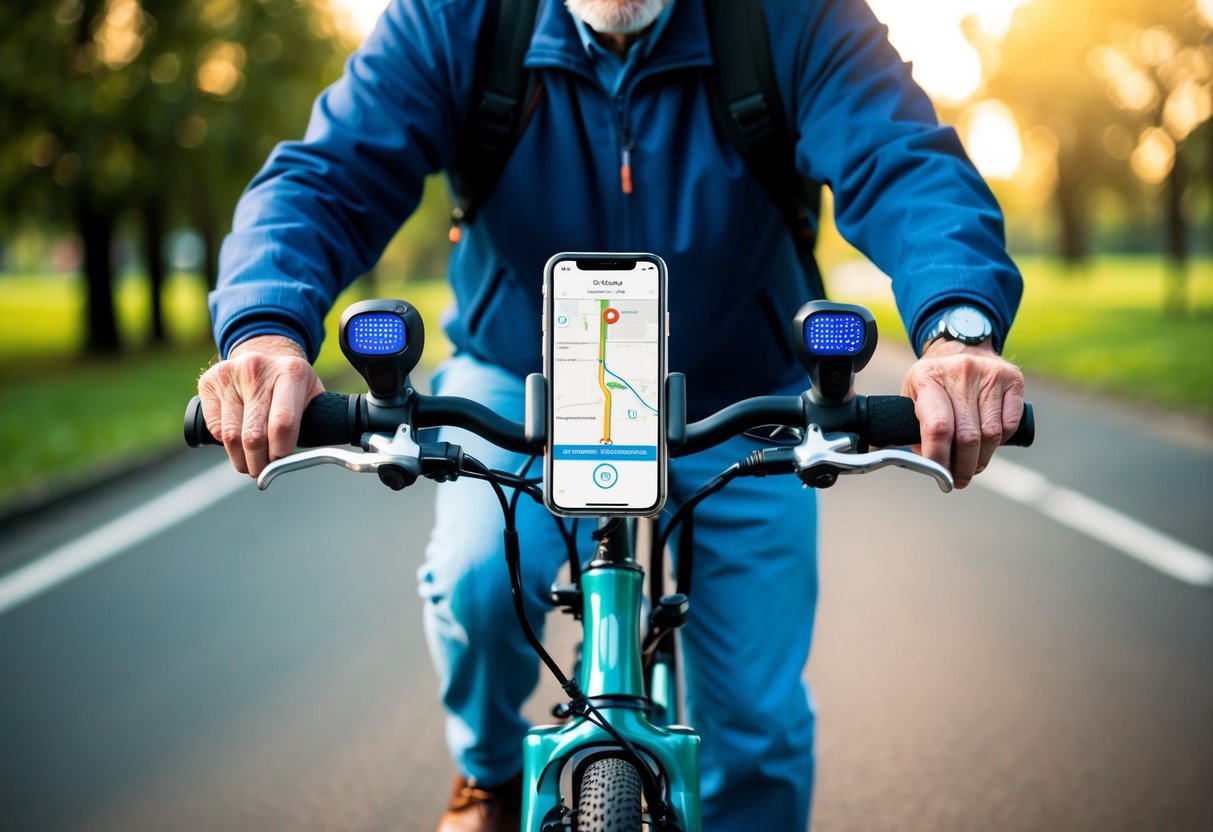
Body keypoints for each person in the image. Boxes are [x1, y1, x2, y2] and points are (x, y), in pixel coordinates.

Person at [197, 0, 1026, 828]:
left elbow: (904, 160)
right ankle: (486, 777)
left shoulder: (791, 16)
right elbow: (328, 175)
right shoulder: (455, 19)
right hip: (519, 377)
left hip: (738, 397)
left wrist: (957, 331)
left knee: (758, 735)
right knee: (476, 581)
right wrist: (266, 329)